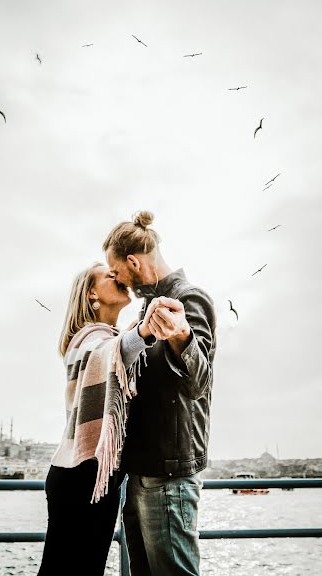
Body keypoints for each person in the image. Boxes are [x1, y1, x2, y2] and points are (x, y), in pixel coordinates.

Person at [102, 211, 217, 576]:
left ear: (133, 261)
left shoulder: (189, 299)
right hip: (141, 471)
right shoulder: (145, 309)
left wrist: (182, 337)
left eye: (117, 271)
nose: (116, 279)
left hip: (167, 475)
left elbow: (199, 383)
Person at [37, 262, 158, 576]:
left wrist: (137, 330)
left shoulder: (111, 338)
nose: (117, 277)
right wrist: (145, 331)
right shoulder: (85, 341)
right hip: (79, 475)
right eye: (108, 275)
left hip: (98, 475)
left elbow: (119, 349)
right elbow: (106, 354)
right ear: (91, 294)